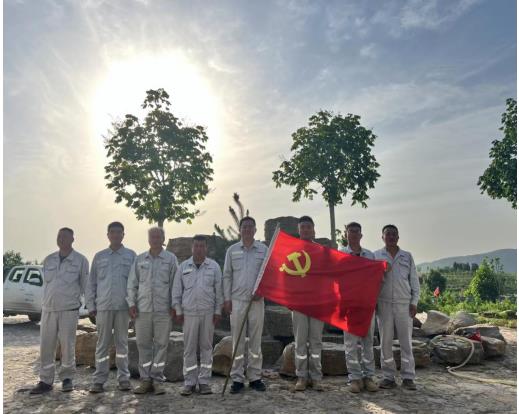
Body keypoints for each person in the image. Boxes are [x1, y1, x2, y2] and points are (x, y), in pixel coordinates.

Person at [30, 228, 89, 394]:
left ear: (72, 239)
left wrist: (91, 306)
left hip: (69, 310)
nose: (61, 239)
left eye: (65, 236)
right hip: (48, 309)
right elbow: (47, 284)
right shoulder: (49, 259)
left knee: (67, 345)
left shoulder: (80, 260)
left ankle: (67, 378)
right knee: (46, 346)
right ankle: (45, 380)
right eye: (59, 236)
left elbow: (85, 285)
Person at [127, 227, 178, 395]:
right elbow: (132, 284)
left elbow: (175, 284)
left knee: (161, 345)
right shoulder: (140, 259)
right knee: (143, 345)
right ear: (148, 239)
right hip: (143, 310)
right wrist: (131, 304)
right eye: (152, 237)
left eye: (158, 236)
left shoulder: (170, 259)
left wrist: (174, 305)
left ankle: (157, 380)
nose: (155, 239)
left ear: (163, 239)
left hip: (164, 310)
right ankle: (145, 380)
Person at [87, 222, 136, 393]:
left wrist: (133, 305)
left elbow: (135, 283)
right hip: (104, 307)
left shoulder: (131, 256)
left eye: (118, 232)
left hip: (123, 307)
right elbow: (91, 283)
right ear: (107, 235)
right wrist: (91, 305)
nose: (115, 235)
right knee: (102, 344)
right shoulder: (99, 256)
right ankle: (99, 380)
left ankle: (124, 379)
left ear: (123, 235)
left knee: (122, 344)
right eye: (112, 232)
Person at [172, 235, 224, 396]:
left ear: (206, 248)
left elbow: (219, 291)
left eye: (202, 246)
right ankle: (189, 382)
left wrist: (218, 311)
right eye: (196, 246)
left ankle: (204, 382)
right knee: (189, 349)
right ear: (192, 247)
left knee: (206, 348)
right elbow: (176, 291)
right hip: (189, 314)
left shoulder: (214, 267)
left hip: (208, 313)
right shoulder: (183, 267)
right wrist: (178, 310)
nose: (199, 249)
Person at [223, 216, 268, 394]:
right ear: (240, 230)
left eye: (250, 227)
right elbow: (227, 275)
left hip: (257, 302)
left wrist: (263, 292)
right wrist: (227, 299)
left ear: (255, 230)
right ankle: (237, 378)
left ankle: (255, 377)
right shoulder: (232, 250)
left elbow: (269, 274)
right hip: (237, 301)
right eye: (244, 227)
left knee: (256, 340)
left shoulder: (263, 250)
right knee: (237, 341)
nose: (247, 230)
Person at [375, 224, 420, 390]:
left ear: (398, 237)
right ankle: (388, 377)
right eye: (388, 234)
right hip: (384, 303)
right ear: (382, 237)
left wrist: (414, 302)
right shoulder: (376, 256)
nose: (391, 237)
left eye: (394, 234)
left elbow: (414, 281)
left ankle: (408, 377)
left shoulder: (407, 256)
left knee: (406, 342)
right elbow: (371, 281)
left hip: (404, 304)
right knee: (385, 342)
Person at [340, 222, 377, 393]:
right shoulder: (340, 255)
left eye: (356, 231)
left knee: (368, 342)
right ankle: (354, 378)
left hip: (366, 305)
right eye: (351, 231)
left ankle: (369, 377)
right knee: (351, 344)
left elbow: (376, 278)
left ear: (361, 235)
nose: (354, 234)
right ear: (346, 234)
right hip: (349, 305)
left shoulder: (370, 255)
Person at [292, 216, 324, 392]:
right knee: (300, 341)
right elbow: (286, 277)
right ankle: (301, 377)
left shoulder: (321, 251)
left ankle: (316, 377)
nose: (305, 229)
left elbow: (328, 276)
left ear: (313, 229)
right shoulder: (291, 251)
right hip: (299, 303)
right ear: (299, 230)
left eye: (308, 227)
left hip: (318, 302)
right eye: (302, 227)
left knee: (316, 341)